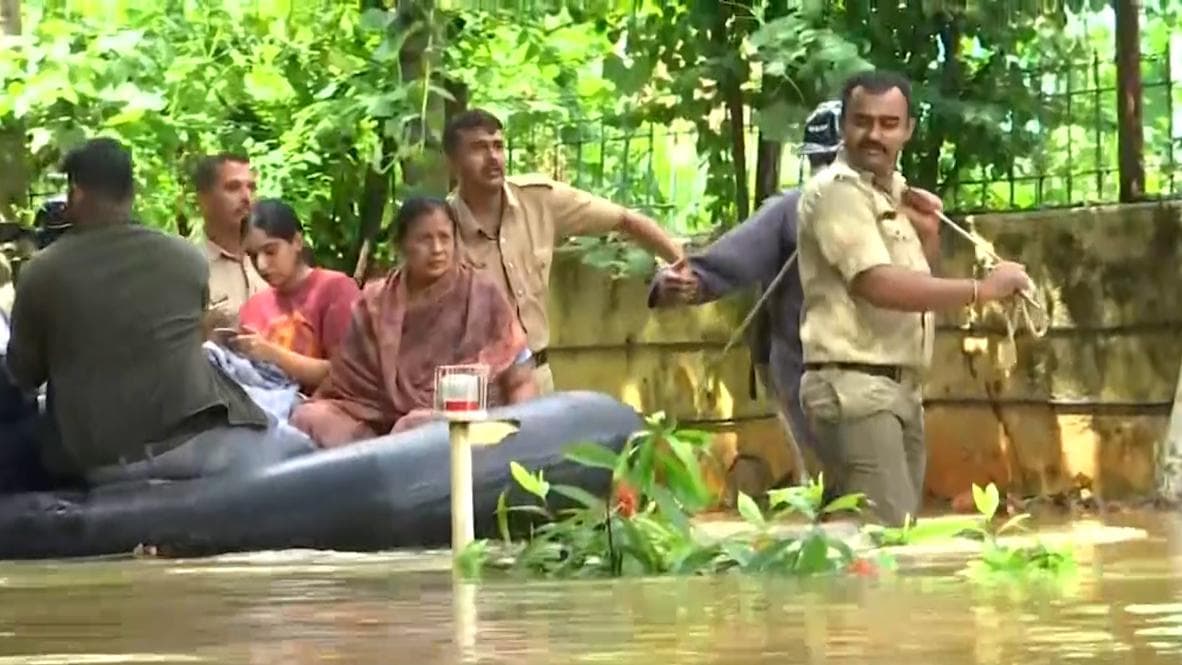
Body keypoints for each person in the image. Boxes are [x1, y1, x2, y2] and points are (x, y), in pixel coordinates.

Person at [795, 70, 1033, 526]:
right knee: (887, 538)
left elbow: (909, 286)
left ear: (907, 130)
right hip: (853, 389)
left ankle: (800, 598)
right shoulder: (835, 194)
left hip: (896, 388)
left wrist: (928, 236)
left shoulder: (892, 195)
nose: (874, 134)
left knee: (870, 538)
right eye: (862, 121)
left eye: (888, 123)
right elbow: (876, 284)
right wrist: (981, 290)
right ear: (843, 124)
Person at [5, 138, 314, 486]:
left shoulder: (42, 271)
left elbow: (24, 376)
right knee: (303, 452)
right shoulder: (186, 259)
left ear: (76, 193)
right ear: (131, 191)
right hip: (191, 440)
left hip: (94, 456)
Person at [647, 100, 847, 489]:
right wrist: (678, 284)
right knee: (841, 485)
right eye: (819, 163)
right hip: (806, 370)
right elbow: (715, 266)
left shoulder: (896, 208)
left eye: (833, 162)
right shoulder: (791, 212)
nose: (825, 174)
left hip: (882, 369)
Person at [444, 109, 686, 394]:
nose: (493, 157)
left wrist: (684, 265)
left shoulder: (539, 199)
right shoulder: (440, 229)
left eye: (498, 146)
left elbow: (625, 220)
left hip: (538, 373)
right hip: (477, 385)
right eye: (478, 148)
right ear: (452, 163)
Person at [290, 197, 537, 447]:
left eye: (444, 238)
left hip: (458, 425)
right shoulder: (375, 302)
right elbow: (347, 385)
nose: (438, 249)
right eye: (425, 239)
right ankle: (378, 464)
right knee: (310, 417)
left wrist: (522, 438)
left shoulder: (482, 293)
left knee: (415, 427)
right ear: (402, 245)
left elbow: (520, 377)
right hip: (377, 425)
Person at [234, 199, 361, 392]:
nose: (261, 265)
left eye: (270, 251)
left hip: (324, 412)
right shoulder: (253, 308)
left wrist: (275, 355)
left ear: (297, 242)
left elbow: (349, 374)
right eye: (252, 256)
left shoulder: (336, 290)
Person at [193, 153, 267, 322]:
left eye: (251, 188)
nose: (246, 198)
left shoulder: (272, 257)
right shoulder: (189, 266)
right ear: (203, 199)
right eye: (233, 187)